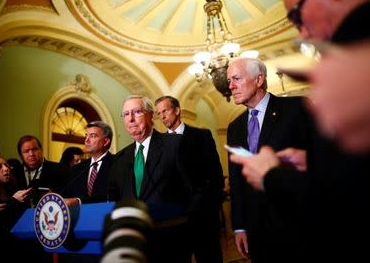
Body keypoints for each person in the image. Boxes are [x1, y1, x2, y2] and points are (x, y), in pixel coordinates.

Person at [231, 0, 370, 261]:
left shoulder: (363, 54)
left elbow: (354, 197)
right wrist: (314, 162)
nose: (301, 32)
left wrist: (273, 177)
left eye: (297, 16)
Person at [226, 57, 313, 262]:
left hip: (297, 221)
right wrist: (239, 226)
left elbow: (321, 160)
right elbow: (236, 179)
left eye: (236, 78)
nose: (230, 86)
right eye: (229, 80)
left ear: (259, 80)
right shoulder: (234, 127)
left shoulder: (297, 108)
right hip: (256, 227)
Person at [108, 95, 194, 263]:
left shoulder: (176, 144)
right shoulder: (120, 158)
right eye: (126, 114)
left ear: (151, 115)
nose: (131, 119)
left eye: (137, 112)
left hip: (172, 243)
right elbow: (114, 200)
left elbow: (195, 191)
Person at [155, 95, 223, 263]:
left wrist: (212, 204)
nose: (162, 116)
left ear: (177, 110)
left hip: (204, 216)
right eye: (159, 113)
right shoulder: (158, 145)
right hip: (174, 220)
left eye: (165, 111)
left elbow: (215, 173)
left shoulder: (202, 135)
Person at [64, 121, 114, 204]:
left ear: (106, 141)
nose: (86, 140)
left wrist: (80, 201)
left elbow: (112, 195)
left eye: (93, 136)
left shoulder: (117, 163)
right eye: (86, 136)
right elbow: (69, 197)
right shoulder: (76, 169)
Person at [15, 135, 69, 207]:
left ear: (41, 150)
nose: (31, 154)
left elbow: (68, 196)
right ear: (21, 155)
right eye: (26, 151)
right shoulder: (14, 173)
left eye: (34, 149)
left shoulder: (60, 169)